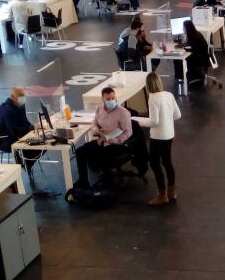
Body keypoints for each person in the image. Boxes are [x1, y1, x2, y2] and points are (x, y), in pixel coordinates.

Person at [135, 72, 181, 206]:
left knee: (154, 163)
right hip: (169, 135)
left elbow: (154, 122)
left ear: (148, 85)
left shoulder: (153, 98)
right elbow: (177, 114)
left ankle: (162, 194)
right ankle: (172, 191)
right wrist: (166, 119)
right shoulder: (169, 95)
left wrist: (138, 121)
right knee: (167, 162)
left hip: (158, 137)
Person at [74, 86, 133, 188]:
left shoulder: (123, 113)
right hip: (103, 140)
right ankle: (83, 180)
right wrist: (95, 129)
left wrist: (117, 140)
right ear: (103, 99)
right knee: (80, 151)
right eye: (108, 99)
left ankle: (107, 183)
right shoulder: (100, 108)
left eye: (113, 98)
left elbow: (128, 132)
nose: (111, 101)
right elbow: (94, 122)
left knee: (104, 156)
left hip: (117, 143)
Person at [0, 87, 43, 176]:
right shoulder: (8, 111)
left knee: (42, 140)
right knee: (41, 143)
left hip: (19, 134)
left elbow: (24, 122)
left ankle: (29, 162)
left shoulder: (16, 107)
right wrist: (30, 129)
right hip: (10, 139)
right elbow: (14, 131)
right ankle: (27, 162)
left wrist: (32, 127)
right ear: (16, 98)